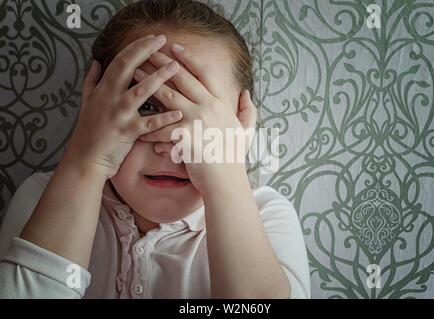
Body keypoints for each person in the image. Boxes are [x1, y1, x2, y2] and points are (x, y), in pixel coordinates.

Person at [0, 0, 310, 299]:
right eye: (145, 105)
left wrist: (226, 175)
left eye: (200, 112)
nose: (170, 146)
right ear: (93, 112)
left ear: (242, 124)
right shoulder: (42, 197)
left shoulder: (267, 216)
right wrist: (88, 161)